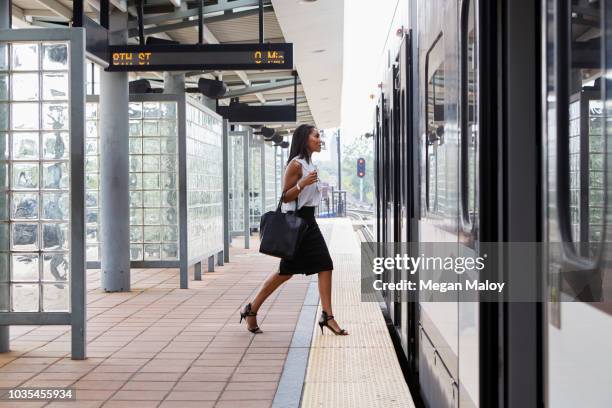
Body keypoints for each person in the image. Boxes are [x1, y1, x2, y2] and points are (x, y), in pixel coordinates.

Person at [239, 124, 348, 336]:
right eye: (316, 136)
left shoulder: (309, 163)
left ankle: (327, 316)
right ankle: (251, 309)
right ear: (304, 139)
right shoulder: (296, 165)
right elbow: (285, 197)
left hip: (309, 223)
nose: (319, 139)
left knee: (325, 265)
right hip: (296, 224)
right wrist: (303, 184)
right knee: (285, 272)